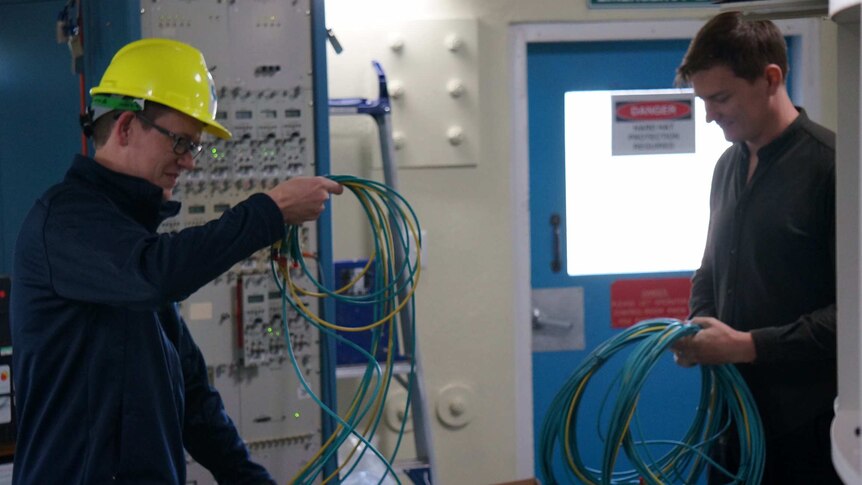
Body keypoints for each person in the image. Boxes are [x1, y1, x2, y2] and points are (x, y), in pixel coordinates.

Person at [10, 38, 343, 484]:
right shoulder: (65, 221)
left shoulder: (129, 238)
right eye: (181, 142)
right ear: (126, 126)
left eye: (195, 148)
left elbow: (194, 399)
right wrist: (270, 210)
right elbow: (156, 275)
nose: (188, 162)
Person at [671, 11, 839, 484]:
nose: (709, 115)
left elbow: (854, 318)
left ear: (771, 78)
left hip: (808, 433)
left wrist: (746, 346)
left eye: (720, 98)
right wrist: (698, 328)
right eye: (703, 100)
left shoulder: (836, 169)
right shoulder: (726, 166)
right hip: (730, 424)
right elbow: (710, 268)